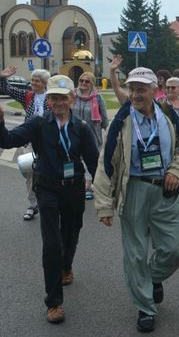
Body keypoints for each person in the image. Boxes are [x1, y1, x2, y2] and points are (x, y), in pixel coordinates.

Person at [93, 67, 179, 332]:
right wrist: (104, 204)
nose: (136, 94)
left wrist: (175, 170)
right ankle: (145, 308)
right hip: (133, 189)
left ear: (153, 89)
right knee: (135, 254)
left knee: (174, 250)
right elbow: (106, 163)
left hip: (164, 191)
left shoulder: (168, 115)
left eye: (141, 89)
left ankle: (149, 279)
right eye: (132, 88)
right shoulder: (122, 119)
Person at [0, 75, 99, 324]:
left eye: (62, 98)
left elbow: (95, 163)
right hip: (47, 188)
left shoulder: (82, 128)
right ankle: (54, 302)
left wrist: (107, 196)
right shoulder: (38, 124)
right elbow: (8, 141)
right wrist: (0, 120)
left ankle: (67, 265)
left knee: (72, 232)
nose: (57, 102)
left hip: (74, 188)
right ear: (49, 99)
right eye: (53, 97)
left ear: (72, 99)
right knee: (52, 244)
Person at [0, 66, 51, 220]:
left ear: (44, 83)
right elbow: (7, 90)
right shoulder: (28, 96)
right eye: (32, 80)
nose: (33, 83)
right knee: (30, 171)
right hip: (29, 140)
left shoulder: (52, 98)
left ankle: (51, 200)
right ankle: (32, 204)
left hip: (49, 141)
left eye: (37, 81)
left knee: (50, 172)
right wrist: (2, 77)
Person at [72, 72, 109, 200]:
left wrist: (109, 133)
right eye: (81, 80)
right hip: (74, 134)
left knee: (90, 161)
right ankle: (78, 183)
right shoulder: (72, 96)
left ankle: (88, 186)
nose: (83, 83)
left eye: (87, 81)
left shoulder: (98, 98)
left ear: (92, 83)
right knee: (76, 160)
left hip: (92, 136)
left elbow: (104, 119)